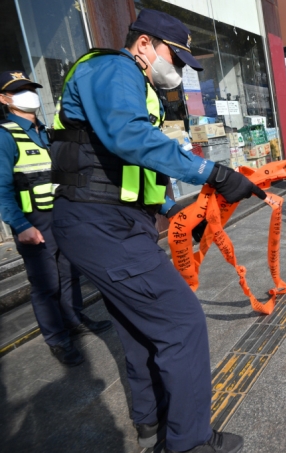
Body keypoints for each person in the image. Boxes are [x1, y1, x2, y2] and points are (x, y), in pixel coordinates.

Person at [49, 9, 265, 452]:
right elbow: (128, 139)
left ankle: (153, 420)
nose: (180, 69)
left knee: (137, 326)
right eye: (177, 57)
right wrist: (214, 173)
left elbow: (122, 167)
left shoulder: (133, 84)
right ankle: (189, 443)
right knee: (183, 324)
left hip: (112, 220)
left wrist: (180, 210)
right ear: (144, 44)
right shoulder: (114, 68)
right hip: (102, 225)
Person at [0, 71, 112, 367]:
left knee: (69, 273)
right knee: (46, 283)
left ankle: (74, 320)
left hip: (62, 216)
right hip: (33, 221)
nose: (29, 95)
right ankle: (57, 338)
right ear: (4, 99)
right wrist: (21, 226)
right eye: (19, 90)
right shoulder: (4, 136)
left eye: (29, 88)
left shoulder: (47, 132)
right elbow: (1, 188)